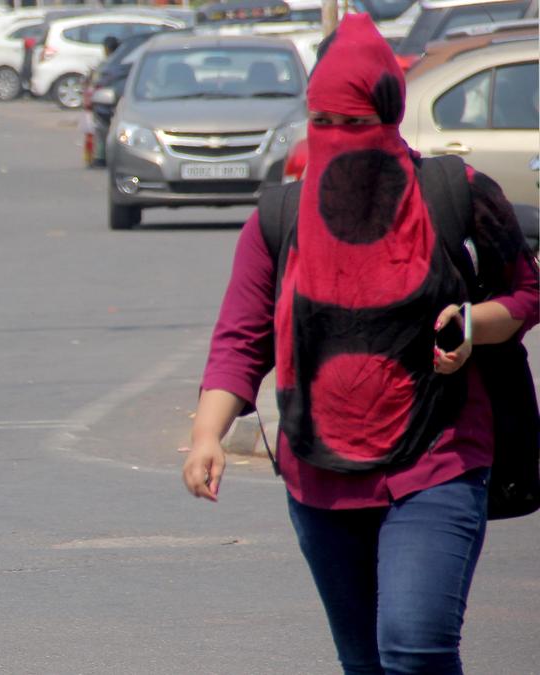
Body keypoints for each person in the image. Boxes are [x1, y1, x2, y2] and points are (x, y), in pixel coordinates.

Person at [181, 15, 538, 674]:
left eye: (354, 124)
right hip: (319, 477)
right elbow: (241, 335)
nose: (339, 140)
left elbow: (524, 292)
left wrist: (472, 320)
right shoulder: (277, 219)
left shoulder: (454, 194)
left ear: (388, 118)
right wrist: (207, 434)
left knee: (415, 643)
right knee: (367, 660)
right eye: (325, 123)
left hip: (440, 457)